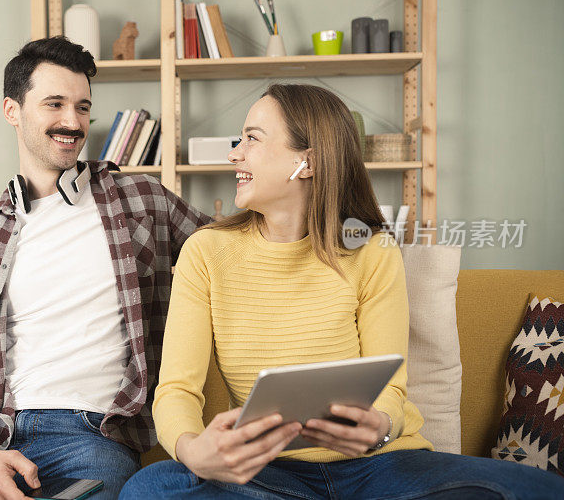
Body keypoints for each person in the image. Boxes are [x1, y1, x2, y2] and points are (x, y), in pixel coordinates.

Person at [120, 84, 563, 499]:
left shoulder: (372, 250)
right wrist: (192, 449)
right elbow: (177, 388)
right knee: (152, 488)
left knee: (534, 488)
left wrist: (380, 428)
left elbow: (390, 387)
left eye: (252, 139)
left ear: (306, 162)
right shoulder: (207, 252)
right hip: (268, 474)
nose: (236, 154)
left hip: (381, 467)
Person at [0, 36, 211, 500]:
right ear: (12, 110)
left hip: (91, 438)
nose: (72, 122)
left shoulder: (141, 201)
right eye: (55, 104)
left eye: (82, 106)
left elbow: (235, 253)